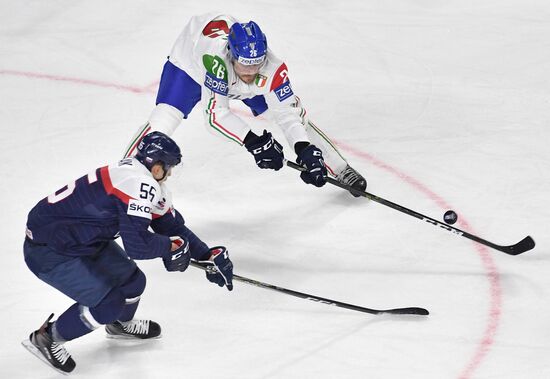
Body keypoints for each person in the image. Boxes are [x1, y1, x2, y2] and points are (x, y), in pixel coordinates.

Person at [22, 132, 234, 374]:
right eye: (169, 167)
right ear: (156, 166)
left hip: (81, 239)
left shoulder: (137, 175)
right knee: (109, 304)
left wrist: (205, 254)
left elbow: (169, 226)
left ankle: (118, 325)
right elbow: (138, 247)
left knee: (134, 282)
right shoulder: (138, 184)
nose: (171, 173)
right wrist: (170, 247)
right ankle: (47, 338)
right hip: (50, 250)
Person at [123, 13, 366, 196]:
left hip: (230, 77)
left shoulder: (272, 67)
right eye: (244, 64)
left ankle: (340, 168)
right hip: (190, 68)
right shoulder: (215, 58)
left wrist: (303, 148)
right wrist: (254, 142)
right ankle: (123, 178)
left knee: (298, 120)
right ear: (231, 54)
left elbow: (288, 114)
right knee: (164, 118)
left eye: (256, 64)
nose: (249, 72)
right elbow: (216, 116)